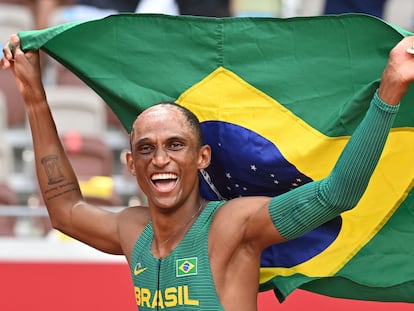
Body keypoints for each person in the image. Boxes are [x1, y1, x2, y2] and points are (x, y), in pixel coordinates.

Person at [1, 32, 413, 310]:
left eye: (175, 145)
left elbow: (335, 195)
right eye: (146, 148)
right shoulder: (132, 231)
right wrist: (34, 98)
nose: (160, 159)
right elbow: (64, 209)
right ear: (131, 164)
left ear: (203, 159)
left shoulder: (234, 226)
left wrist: (390, 88)